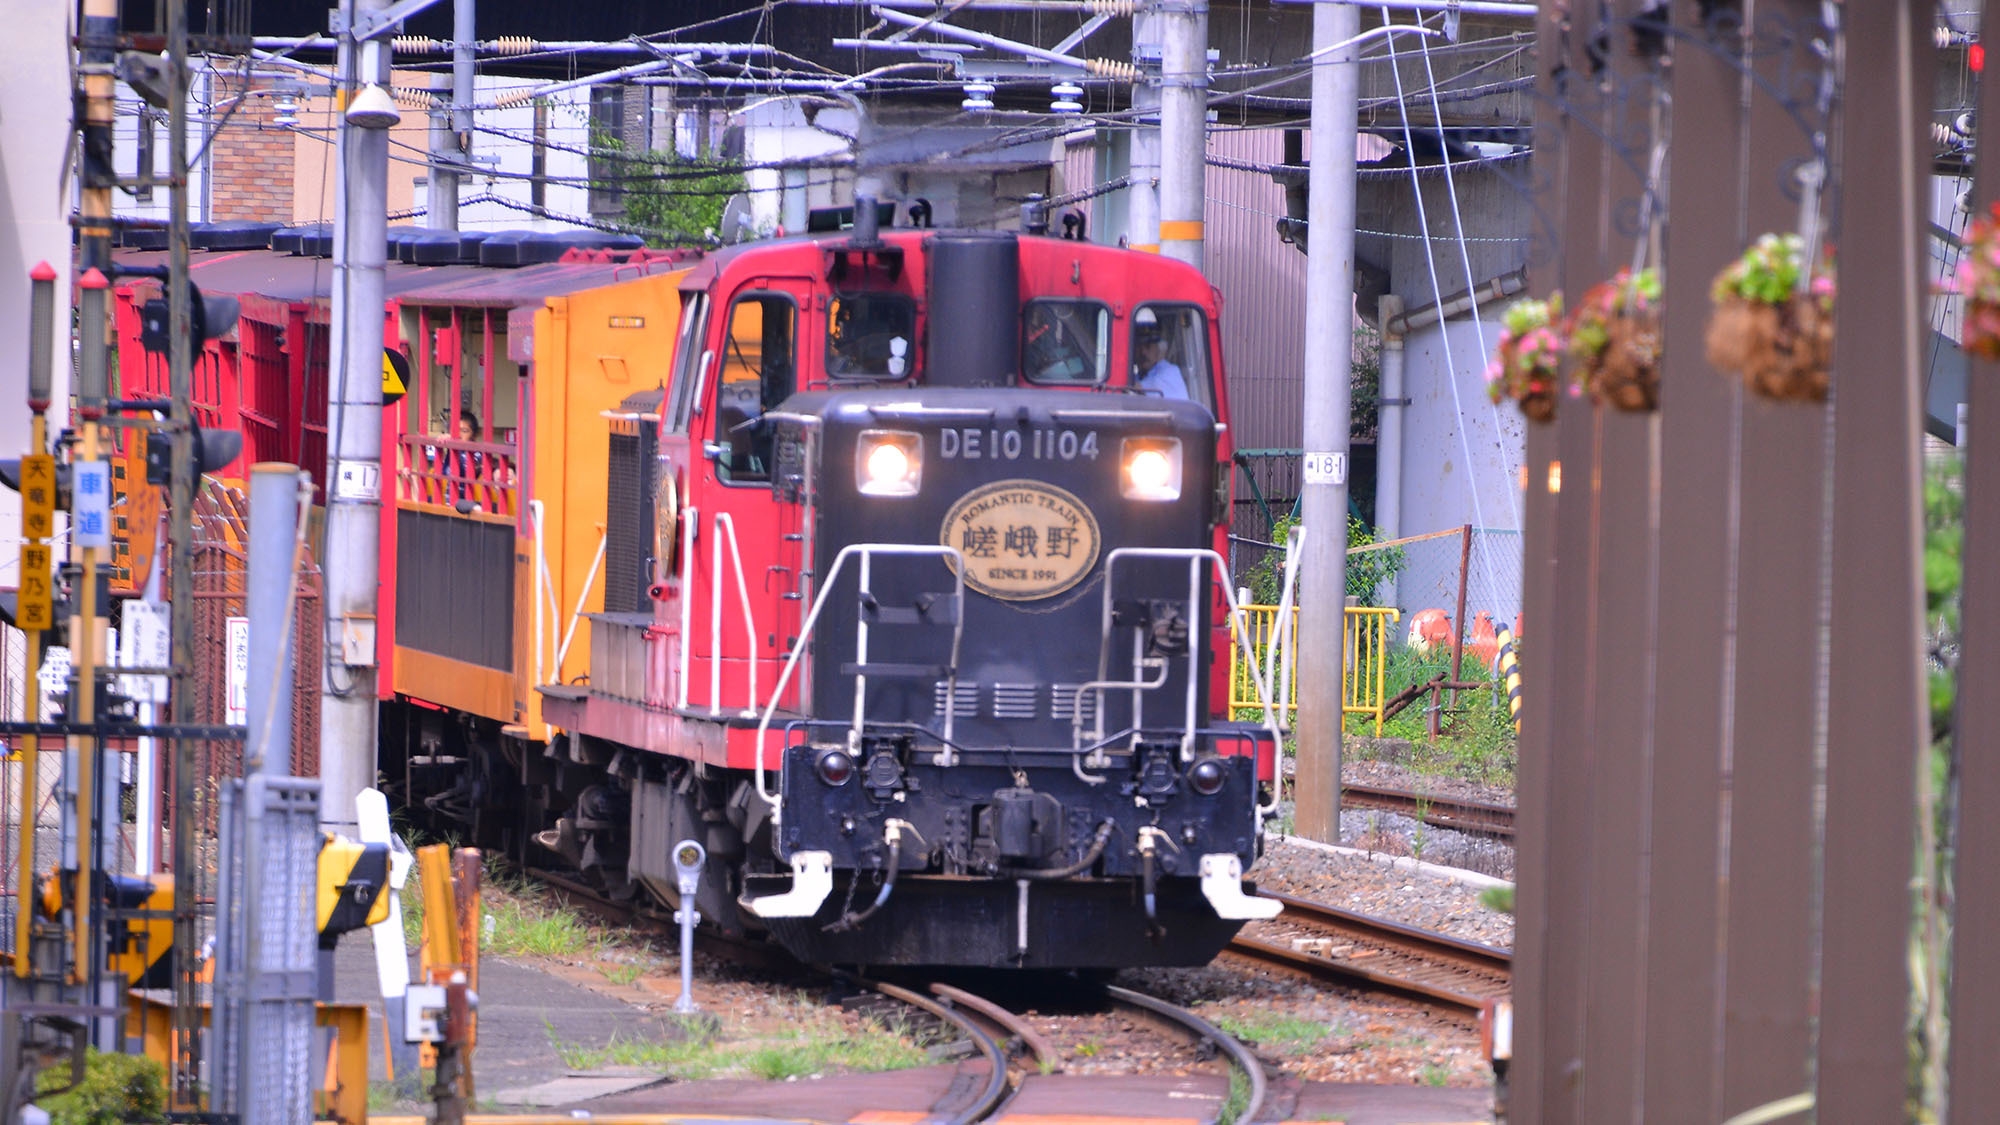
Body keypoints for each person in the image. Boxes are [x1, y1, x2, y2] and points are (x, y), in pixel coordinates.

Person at [1134, 326, 1188, 399]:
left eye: (1148, 346)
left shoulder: (1170, 372)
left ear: (1158, 349)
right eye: (1139, 347)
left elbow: (1137, 388)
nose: (1143, 352)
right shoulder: (1137, 376)